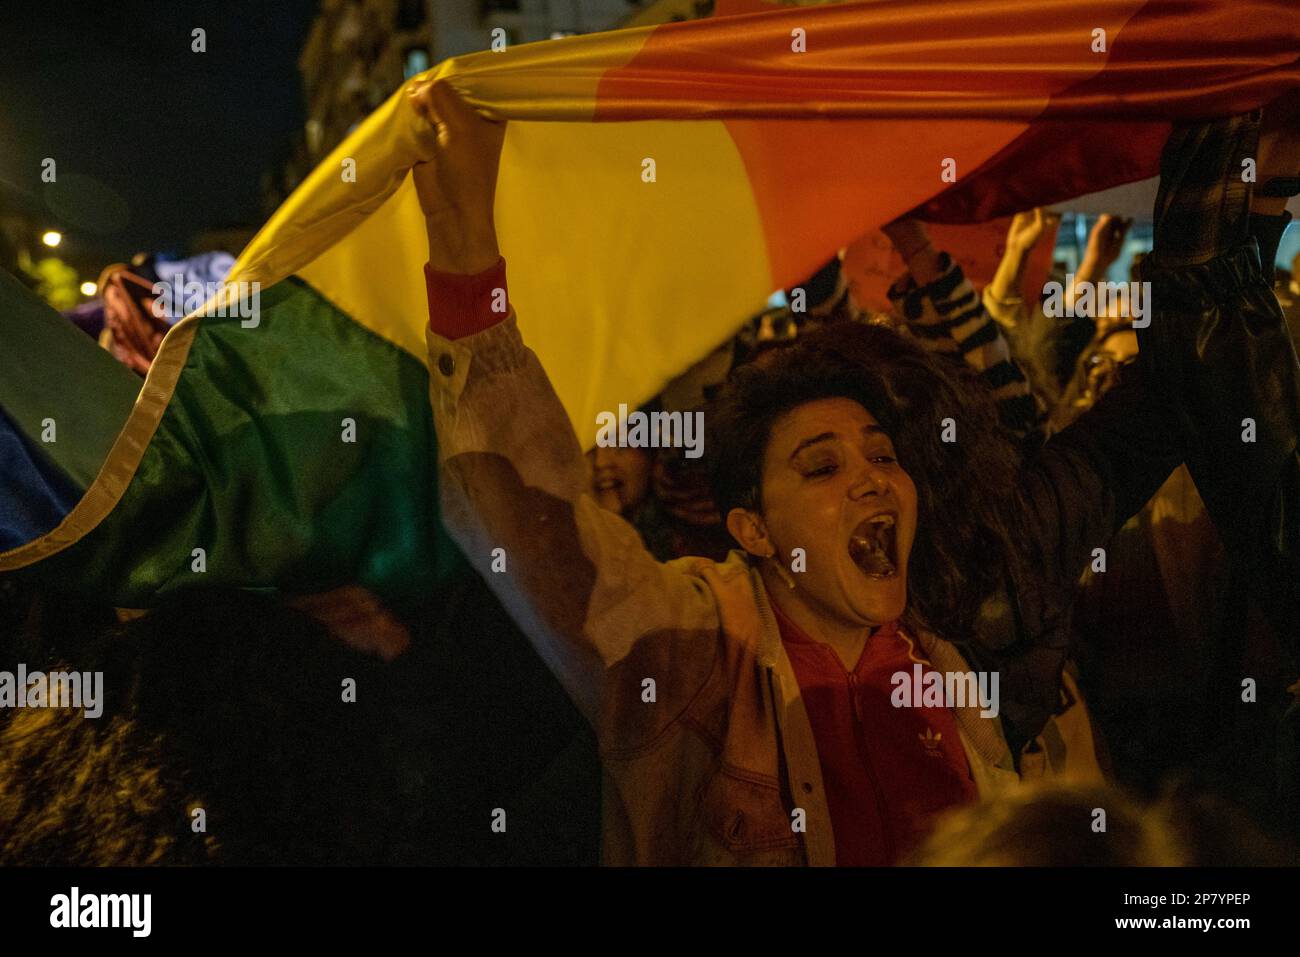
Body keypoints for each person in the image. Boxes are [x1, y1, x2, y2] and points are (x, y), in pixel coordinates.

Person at [409, 78, 1300, 865]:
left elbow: (1157, 408)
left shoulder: (959, 659)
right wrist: (463, 255)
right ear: (752, 528)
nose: (873, 478)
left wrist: (1253, 183)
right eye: (821, 464)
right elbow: (542, 541)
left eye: (884, 455)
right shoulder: (698, 656)